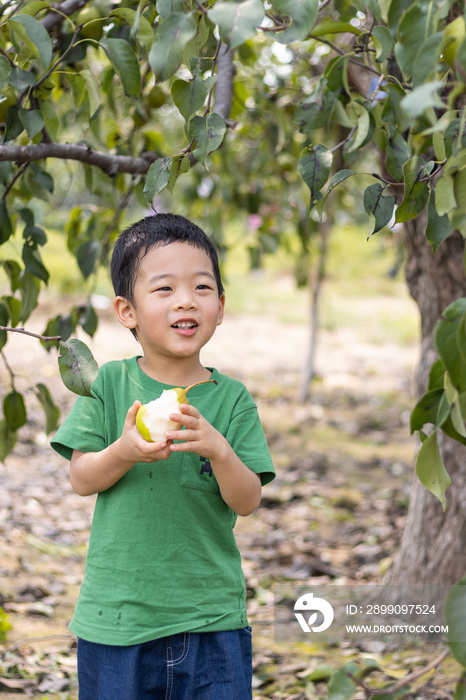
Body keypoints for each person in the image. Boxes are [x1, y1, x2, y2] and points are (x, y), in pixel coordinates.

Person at [51, 213, 275, 700]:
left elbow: (247, 499)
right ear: (126, 310)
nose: (186, 300)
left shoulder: (231, 399)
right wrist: (126, 450)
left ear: (220, 305)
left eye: (201, 286)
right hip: (118, 622)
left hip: (212, 620)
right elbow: (82, 477)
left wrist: (219, 450)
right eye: (164, 289)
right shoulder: (107, 384)